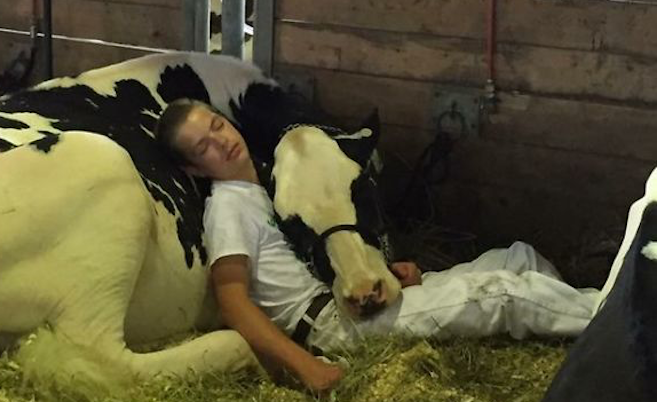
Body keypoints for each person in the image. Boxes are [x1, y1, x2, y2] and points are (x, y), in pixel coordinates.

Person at [153, 98, 600, 393]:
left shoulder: (270, 181)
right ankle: (616, 319)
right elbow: (231, 301)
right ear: (194, 169)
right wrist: (304, 367)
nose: (222, 141)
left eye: (217, 125)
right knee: (503, 293)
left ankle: (574, 340)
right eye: (204, 146)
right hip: (331, 324)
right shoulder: (228, 208)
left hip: (350, 295)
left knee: (517, 255)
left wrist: (387, 272)